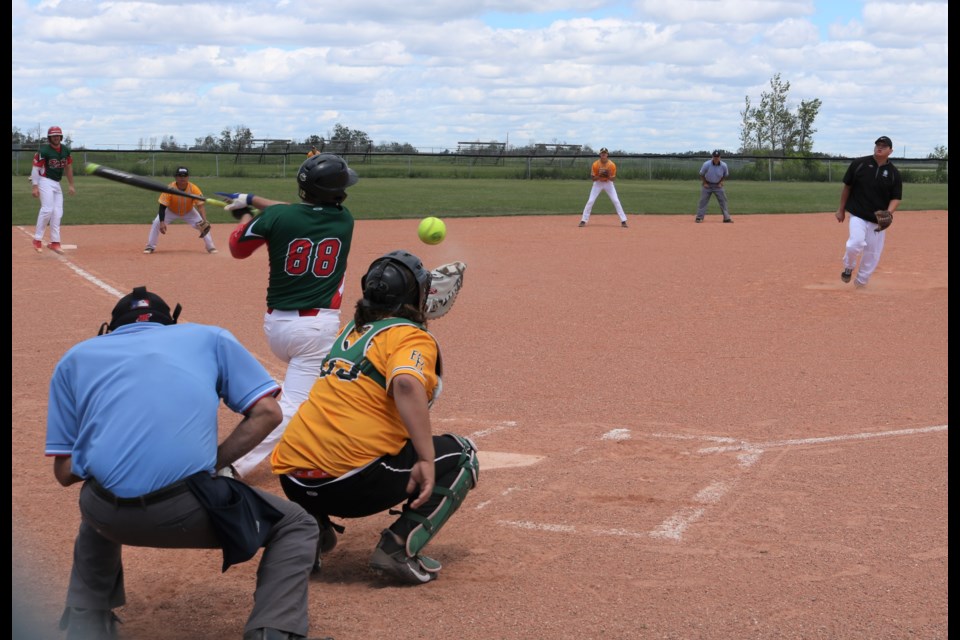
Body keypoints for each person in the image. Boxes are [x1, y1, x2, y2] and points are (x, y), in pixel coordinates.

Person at [45, 286, 330, 640]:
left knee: (96, 497)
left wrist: (110, 456)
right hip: (185, 512)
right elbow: (268, 413)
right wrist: (213, 462)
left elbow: (63, 472)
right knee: (297, 525)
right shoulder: (209, 337)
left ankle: (86, 620)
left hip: (108, 516)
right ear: (172, 324)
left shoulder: (75, 358)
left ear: (111, 330)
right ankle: (274, 632)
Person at [270, 250, 479, 585]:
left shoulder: (350, 334)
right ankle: (397, 548)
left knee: (334, 438)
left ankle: (307, 537)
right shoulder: (410, 335)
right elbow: (407, 384)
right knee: (461, 455)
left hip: (293, 478)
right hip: (352, 485)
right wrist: (425, 458)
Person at [221, 153, 359, 479]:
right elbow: (297, 212)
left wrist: (246, 213)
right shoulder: (344, 220)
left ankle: (320, 443)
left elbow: (237, 247)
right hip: (316, 330)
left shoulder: (279, 217)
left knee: (327, 386)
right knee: (296, 403)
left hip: (278, 327)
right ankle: (230, 465)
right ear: (336, 194)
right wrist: (254, 204)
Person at [835, 135, 902, 287]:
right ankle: (849, 266)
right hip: (858, 214)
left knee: (872, 253)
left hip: (877, 219)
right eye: (878, 144)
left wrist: (888, 213)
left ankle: (861, 283)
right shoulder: (859, 164)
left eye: (884, 146)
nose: (880, 147)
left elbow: (896, 197)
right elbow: (847, 187)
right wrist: (841, 210)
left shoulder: (893, 173)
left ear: (890, 151)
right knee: (854, 244)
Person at [144, 166, 217, 254]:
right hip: (171, 211)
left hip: (189, 211)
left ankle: (210, 247)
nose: (182, 178)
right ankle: (150, 246)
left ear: (188, 177)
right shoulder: (170, 188)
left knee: (204, 225)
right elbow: (162, 206)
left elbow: (200, 206)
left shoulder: (193, 188)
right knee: (156, 222)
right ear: (176, 177)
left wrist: (204, 220)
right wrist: (162, 222)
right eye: (180, 175)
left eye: (184, 175)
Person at [31, 125, 76, 254]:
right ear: (49, 138)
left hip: (56, 183)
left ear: (61, 137)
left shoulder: (65, 150)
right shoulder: (44, 151)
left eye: (58, 135)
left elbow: (68, 167)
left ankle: (55, 242)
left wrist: (71, 184)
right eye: (53, 136)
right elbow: (35, 168)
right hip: (44, 181)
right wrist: (35, 186)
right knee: (47, 209)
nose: (56, 137)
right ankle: (37, 239)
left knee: (57, 212)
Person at [579, 147, 629, 228]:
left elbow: (613, 179)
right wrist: (599, 175)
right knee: (590, 201)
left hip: (608, 183)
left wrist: (608, 175)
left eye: (605, 153)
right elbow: (593, 178)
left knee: (616, 201)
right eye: (602, 153)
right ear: (600, 154)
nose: (603, 154)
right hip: (598, 183)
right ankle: (583, 220)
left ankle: (623, 221)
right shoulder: (595, 164)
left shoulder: (611, 165)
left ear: (607, 155)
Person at [696, 150, 732, 223]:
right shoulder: (706, 164)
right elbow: (701, 174)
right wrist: (705, 183)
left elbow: (725, 175)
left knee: (723, 201)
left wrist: (721, 182)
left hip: (718, 185)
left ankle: (726, 218)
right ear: (712, 157)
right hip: (707, 185)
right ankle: (699, 217)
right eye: (714, 157)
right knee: (703, 201)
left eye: (717, 157)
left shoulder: (724, 165)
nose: (716, 158)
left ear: (720, 157)